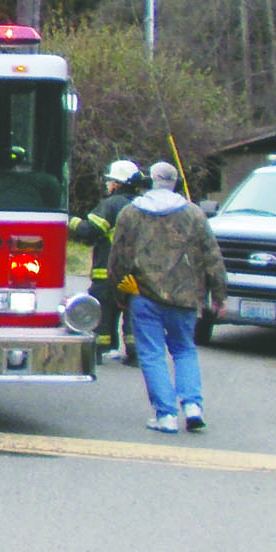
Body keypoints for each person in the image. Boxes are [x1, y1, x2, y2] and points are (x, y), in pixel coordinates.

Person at [106, 160, 228, 434]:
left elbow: (118, 259)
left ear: (150, 180)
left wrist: (120, 293)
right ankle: (193, 406)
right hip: (185, 296)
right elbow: (212, 257)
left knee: (152, 354)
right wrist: (219, 296)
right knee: (184, 349)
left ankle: (166, 416)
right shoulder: (194, 213)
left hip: (144, 296)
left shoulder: (131, 213)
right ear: (175, 183)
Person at [69, 159, 142, 352]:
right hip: (136, 274)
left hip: (108, 274)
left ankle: (100, 349)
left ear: (117, 184)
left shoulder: (111, 205)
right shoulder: (144, 205)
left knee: (103, 311)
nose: (107, 185)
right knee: (133, 313)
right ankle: (134, 353)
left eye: (110, 181)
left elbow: (90, 230)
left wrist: (70, 220)